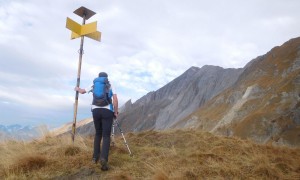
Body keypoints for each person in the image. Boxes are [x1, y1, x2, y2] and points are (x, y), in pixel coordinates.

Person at [74, 72, 118, 171]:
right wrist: (115, 112)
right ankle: (103, 159)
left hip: (95, 111)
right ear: (107, 77)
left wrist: (77, 88)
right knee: (106, 136)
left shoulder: (94, 84)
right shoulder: (110, 84)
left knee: (98, 134)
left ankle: (95, 158)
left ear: (99, 77)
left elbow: (82, 91)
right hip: (107, 111)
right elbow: (115, 99)